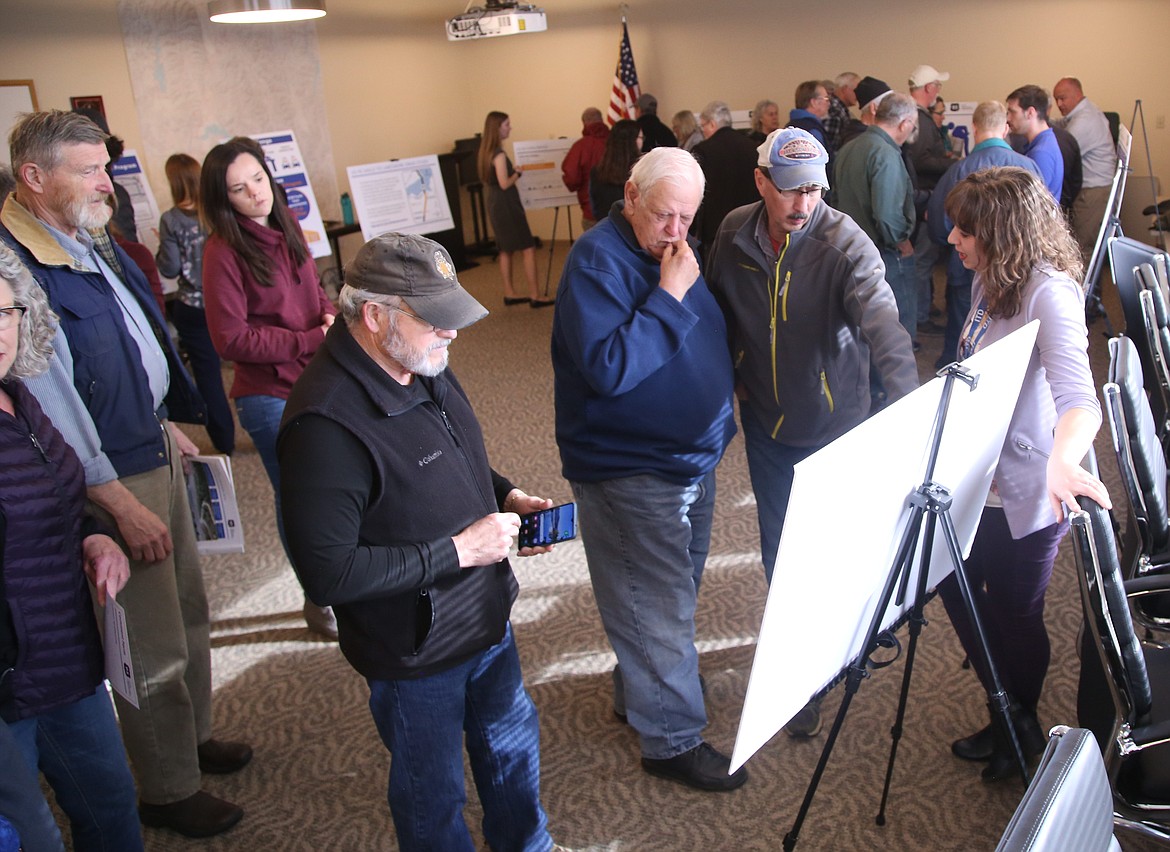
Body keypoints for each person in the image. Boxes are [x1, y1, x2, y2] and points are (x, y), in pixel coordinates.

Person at [0, 109, 249, 839]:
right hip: (109, 475)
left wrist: (166, 419)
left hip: (151, 445)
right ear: (34, 178)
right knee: (147, 640)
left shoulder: (83, 234)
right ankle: (168, 787)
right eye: (89, 169)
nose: (106, 182)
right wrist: (112, 500)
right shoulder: (15, 264)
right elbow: (53, 401)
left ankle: (192, 737)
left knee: (190, 611)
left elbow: (130, 340)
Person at [278, 232, 559, 851]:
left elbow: (458, 461)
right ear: (375, 317)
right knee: (433, 797)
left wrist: (505, 497)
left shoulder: (420, 360)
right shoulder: (324, 426)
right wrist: (459, 551)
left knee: (511, 754)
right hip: (414, 653)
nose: (451, 332)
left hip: (483, 614)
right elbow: (328, 574)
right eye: (436, 318)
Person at [706, 128, 917, 738]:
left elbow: (886, 329)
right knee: (781, 553)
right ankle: (805, 675)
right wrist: (729, 372)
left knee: (828, 552)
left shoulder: (843, 242)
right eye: (791, 189)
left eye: (815, 190)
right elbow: (712, 310)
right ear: (761, 183)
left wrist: (910, 415)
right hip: (769, 425)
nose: (804, 203)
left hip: (833, 427)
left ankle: (829, 662)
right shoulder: (732, 232)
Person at [551, 147, 743, 792]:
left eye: (688, 217)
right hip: (630, 468)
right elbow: (610, 368)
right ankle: (670, 740)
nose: (677, 231)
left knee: (667, 592)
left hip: (688, 458)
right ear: (630, 196)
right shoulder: (597, 262)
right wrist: (670, 294)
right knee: (655, 601)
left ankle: (644, 694)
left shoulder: (670, 251)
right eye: (665, 214)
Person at [939, 166, 1110, 781]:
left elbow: (1079, 400)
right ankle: (1011, 714)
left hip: (1030, 487)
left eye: (964, 231)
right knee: (949, 582)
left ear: (1003, 232)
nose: (952, 241)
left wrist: (1065, 460)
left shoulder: (1050, 291)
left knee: (1016, 612)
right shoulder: (992, 278)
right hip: (976, 480)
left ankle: (1019, 719)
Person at [0, 243, 142, 850]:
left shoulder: (19, 396)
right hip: (7, 680)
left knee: (112, 811)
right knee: (33, 837)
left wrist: (96, 535)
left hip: (67, 656)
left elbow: (59, 496)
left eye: (5, 312)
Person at [200, 136, 339, 640]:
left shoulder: (286, 223)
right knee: (300, 499)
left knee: (337, 490)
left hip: (317, 379)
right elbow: (229, 338)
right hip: (268, 394)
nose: (255, 193)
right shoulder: (222, 251)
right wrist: (307, 336)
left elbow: (310, 289)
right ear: (224, 199)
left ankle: (340, 581)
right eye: (239, 189)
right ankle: (319, 596)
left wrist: (327, 311)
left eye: (258, 179)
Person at [927, 102, 1043, 370]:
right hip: (1017, 273)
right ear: (1005, 128)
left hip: (964, 268)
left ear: (974, 127)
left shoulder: (959, 170)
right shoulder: (1029, 168)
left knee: (963, 330)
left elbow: (938, 224)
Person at [155, 153, 235, 455]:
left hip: (194, 307)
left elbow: (170, 268)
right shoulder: (216, 213)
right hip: (226, 302)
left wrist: (162, 247)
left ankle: (224, 442)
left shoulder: (170, 220)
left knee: (208, 376)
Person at [833, 93, 919, 340]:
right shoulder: (887, 154)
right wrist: (902, 241)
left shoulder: (848, 148)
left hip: (850, 252)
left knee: (862, 331)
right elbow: (886, 216)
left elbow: (835, 203)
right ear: (904, 124)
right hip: (886, 256)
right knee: (894, 333)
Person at [477, 112, 551, 308]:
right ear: (497, 127)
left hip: (495, 202)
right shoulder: (499, 154)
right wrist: (517, 173)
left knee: (505, 250)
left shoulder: (486, 151)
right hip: (506, 203)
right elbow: (504, 183)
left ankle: (510, 292)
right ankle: (535, 294)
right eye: (507, 125)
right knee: (528, 247)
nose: (510, 128)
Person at [906, 65, 959, 336]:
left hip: (919, 198)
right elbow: (922, 160)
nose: (938, 91)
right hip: (925, 199)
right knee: (923, 261)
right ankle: (919, 315)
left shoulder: (912, 116)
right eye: (937, 86)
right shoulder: (922, 120)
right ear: (929, 89)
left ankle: (922, 310)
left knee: (922, 260)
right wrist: (950, 164)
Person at [1053, 77, 1118, 263]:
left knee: (1083, 249)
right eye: (1056, 99)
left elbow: (1062, 153)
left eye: (1062, 98)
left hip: (1092, 192)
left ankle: (1085, 292)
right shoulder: (1084, 112)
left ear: (1077, 95)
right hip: (1093, 189)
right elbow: (1060, 125)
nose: (1059, 104)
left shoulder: (1084, 121)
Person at [691, 101, 759, 257]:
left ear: (712, 124)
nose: (703, 132)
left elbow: (696, 194)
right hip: (749, 228)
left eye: (703, 127)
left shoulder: (702, 151)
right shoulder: (752, 148)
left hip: (715, 232)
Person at [1006, 85, 1063, 202]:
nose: (1008, 118)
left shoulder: (1041, 153)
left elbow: (1031, 203)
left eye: (1012, 112)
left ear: (1030, 113)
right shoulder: (1044, 142)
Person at [560, 107, 609, 232]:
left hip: (591, 208)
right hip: (617, 207)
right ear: (602, 120)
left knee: (593, 247)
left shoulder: (580, 146)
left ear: (584, 123)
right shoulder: (616, 142)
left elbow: (571, 177)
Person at [588, 118, 643, 225]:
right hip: (634, 230)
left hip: (605, 227)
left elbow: (594, 206)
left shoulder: (597, 171)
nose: (642, 141)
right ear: (633, 140)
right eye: (641, 137)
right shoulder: (642, 171)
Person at [788, 81, 831, 150]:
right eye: (826, 99)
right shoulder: (813, 131)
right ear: (814, 102)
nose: (829, 103)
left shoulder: (788, 127)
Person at [824, 72, 860, 153]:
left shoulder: (840, 109)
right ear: (845, 89)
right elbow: (830, 146)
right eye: (856, 90)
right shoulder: (834, 110)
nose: (859, 95)